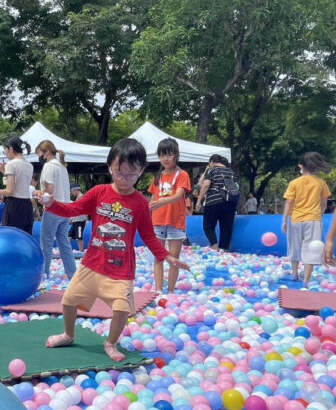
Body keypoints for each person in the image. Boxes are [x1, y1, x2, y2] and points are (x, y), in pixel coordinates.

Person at [38, 138, 190, 362]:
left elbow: (148, 234)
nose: (124, 179)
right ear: (110, 167)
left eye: (131, 174)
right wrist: (50, 205)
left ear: (141, 172)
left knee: (121, 310)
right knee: (68, 300)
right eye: (119, 172)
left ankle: (110, 342)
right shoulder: (99, 192)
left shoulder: (139, 202)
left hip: (120, 270)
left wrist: (166, 255)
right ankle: (69, 334)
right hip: (92, 264)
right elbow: (73, 210)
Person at [148, 138, 191, 294]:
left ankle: (171, 291)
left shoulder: (182, 174)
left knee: (174, 259)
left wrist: (162, 202)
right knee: (158, 257)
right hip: (158, 220)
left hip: (175, 221)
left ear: (175, 155)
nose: (165, 158)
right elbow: (152, 200)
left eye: (168, 154)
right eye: (162, 155)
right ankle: (158, 290)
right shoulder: (157, 177)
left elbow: (179, 195)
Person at [283, 152, 331, 284]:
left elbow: (289, 202)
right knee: (311, 248)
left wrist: (284, 220)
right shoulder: (321, 183)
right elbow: (324, 203)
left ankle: (294, 273)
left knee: (295, 246)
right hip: (313, 218)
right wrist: (318, 215)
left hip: (295, 219)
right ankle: (306, 280)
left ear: (301, 166)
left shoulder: (294, 183)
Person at [34, 140, 76, 280]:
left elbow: (49, 189)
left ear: (46, 152)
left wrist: (37, 192)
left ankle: (43, 274)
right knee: (64, 243)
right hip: (65, 208)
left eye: (39, 154)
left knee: (45, 244)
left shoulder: (48, 166)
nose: (39, 157)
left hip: (53, 208)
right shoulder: (62, 166)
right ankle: (72, 273)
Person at [195, 155, 238, 251]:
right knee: (226, 227)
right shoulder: (231, 172)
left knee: (208, 226)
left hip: (214, 202)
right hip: (230, 203)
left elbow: (205, 185)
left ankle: (215, 248)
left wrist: (199, 201)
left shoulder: (212, 170)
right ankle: (224, 250)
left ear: (211, 162)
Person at [0, 136, 34, 235]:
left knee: (11, 236)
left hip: (14, 205)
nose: (5, 152)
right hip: (27, 204)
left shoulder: (11, 164)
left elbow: (10, 191)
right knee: (25, 237)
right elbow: (21, 183)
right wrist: (6, 173)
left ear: (11, 149)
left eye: (5, 149)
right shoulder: (30, 165)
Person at [68, 183, 87, 253]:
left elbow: (78, 208)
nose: (72, 193)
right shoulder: (78, 197)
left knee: (79, 237)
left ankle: (81, 251)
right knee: (69, 235)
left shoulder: (81, 197)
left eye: (72, 191)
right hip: (76, 221)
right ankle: (65, 250)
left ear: (75, 190)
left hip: (80, 221)